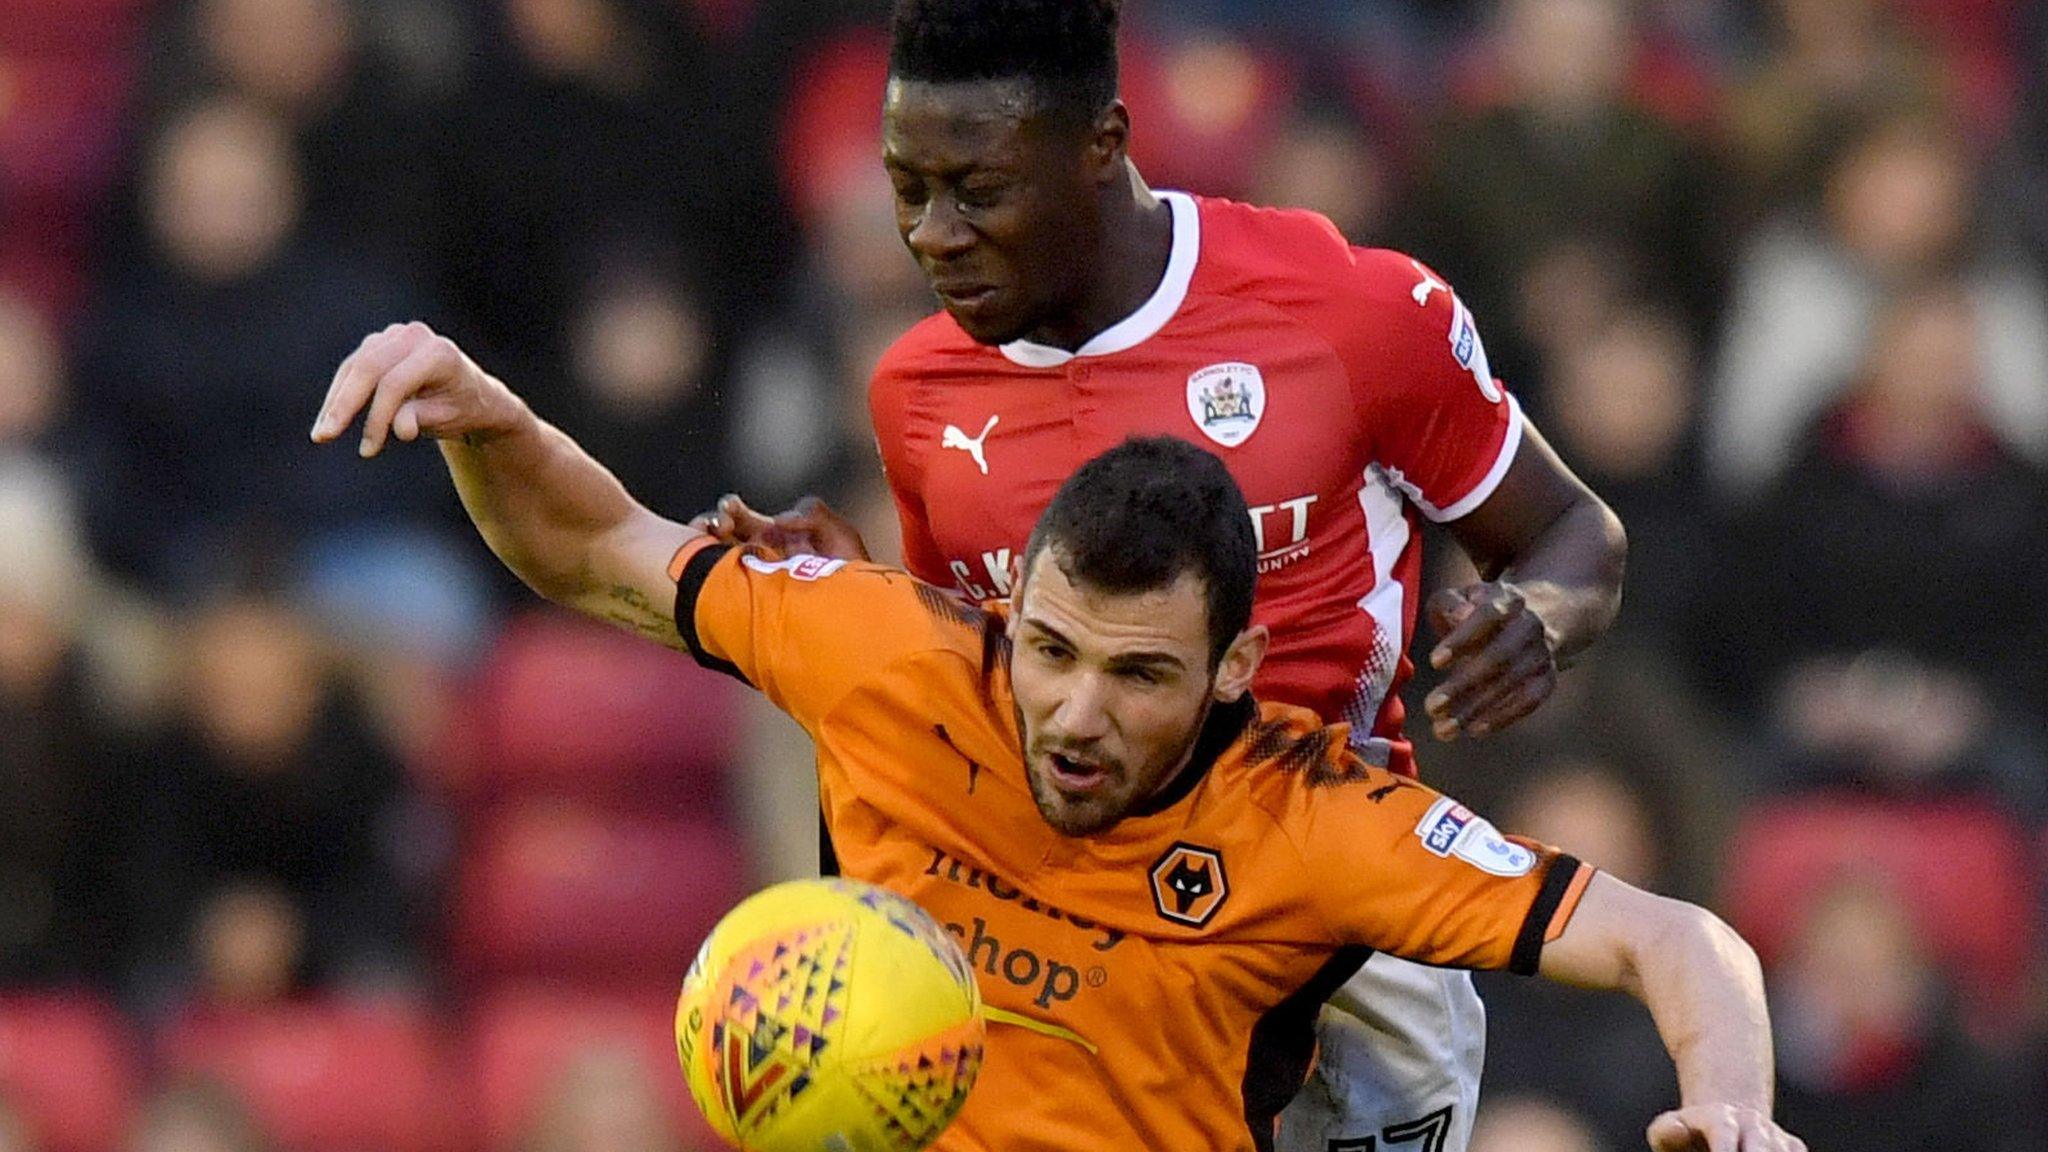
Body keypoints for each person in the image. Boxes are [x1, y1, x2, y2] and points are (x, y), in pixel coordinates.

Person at [309, 324, 1798, 1152]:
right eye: (1054, 652)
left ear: (1236, 672)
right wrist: (490, 422)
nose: (1078, 714)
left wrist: (1730, 1111)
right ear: (1011, 604)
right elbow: (597, 551)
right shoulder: (892, 652)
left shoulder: (1312, 819)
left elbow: (1682, 942)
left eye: (1141, 677)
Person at [697, 2, 1628, 1148]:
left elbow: (1574, 531)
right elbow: (981, 689)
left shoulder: (1352, 314)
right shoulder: (916, 393)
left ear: (1100, 144)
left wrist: (1538, 612)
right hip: (1087, 933)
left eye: (976, 190)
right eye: (907, 187)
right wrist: (855, 595)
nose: (932, 234)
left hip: (1340, 926)